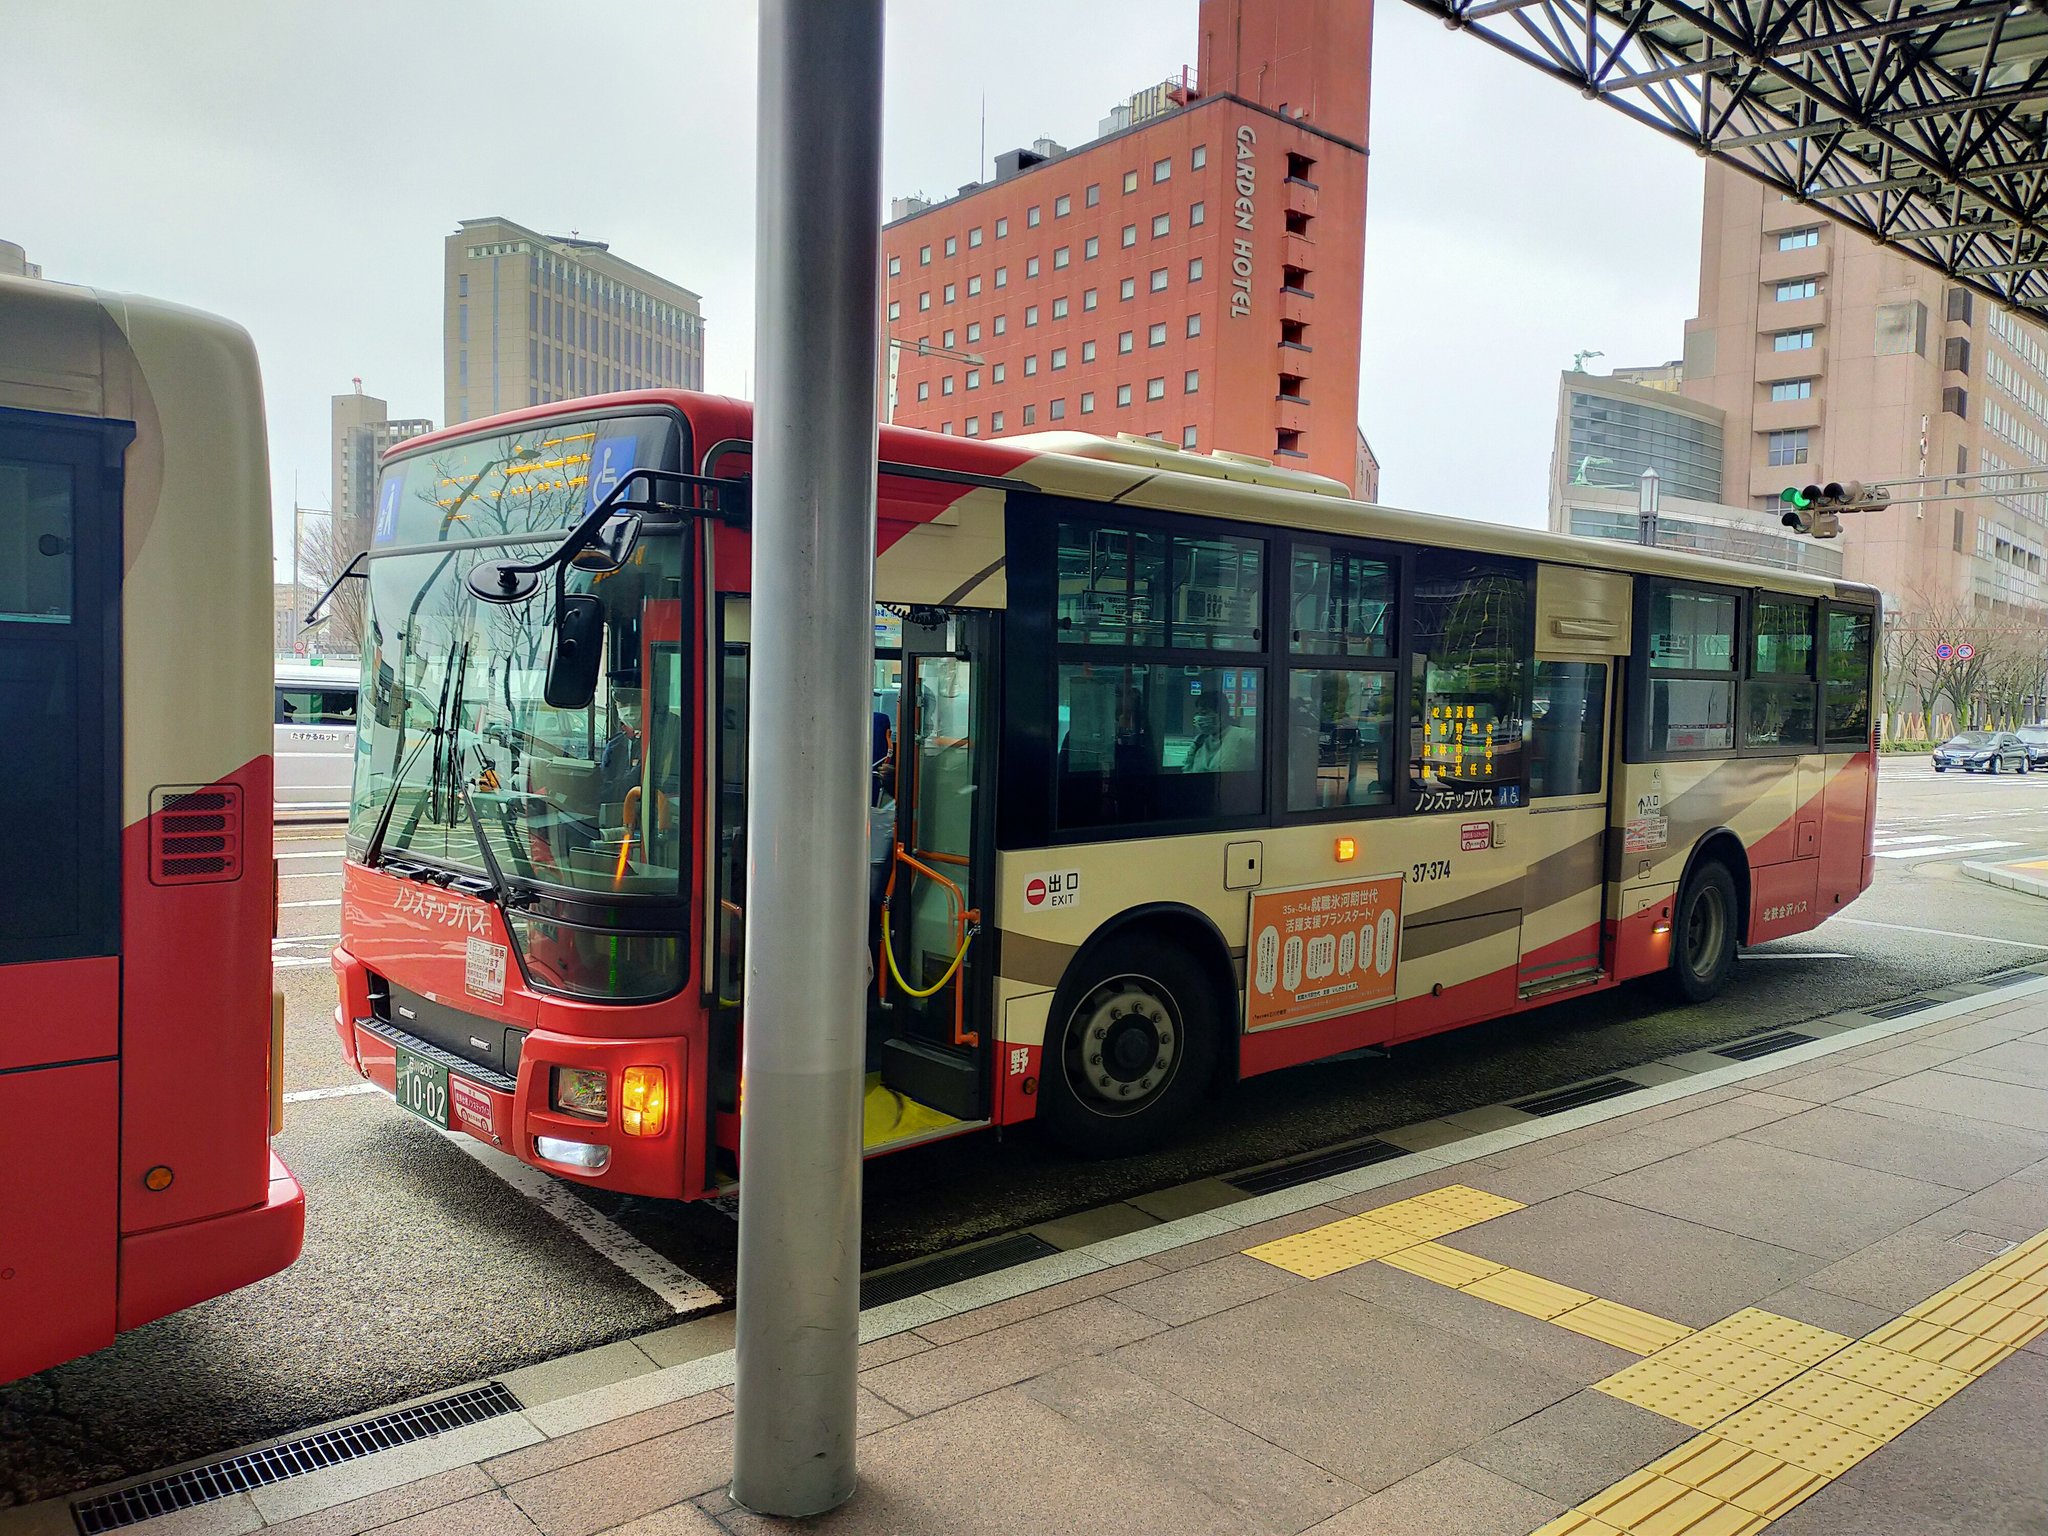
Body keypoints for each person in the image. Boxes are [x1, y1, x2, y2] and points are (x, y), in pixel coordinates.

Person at [1184, 692, 1254, 774]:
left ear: (1222, 714)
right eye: (1197, 713)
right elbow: (1188, 769)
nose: (1199, 719)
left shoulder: (1243, 737)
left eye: (1204, 713)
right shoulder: (1199, 741)